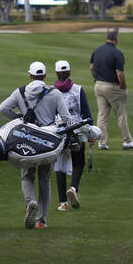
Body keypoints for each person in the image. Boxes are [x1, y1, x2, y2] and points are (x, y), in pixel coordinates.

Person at [0, 61, 72, 229]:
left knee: (27, 176)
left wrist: (18, 118)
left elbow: (3, 108)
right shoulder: (54, 93)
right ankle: (42, 220)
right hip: (47, 141)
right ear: (45, 76)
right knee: (44, 180)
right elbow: (66, 118)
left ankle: (30, 202)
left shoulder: (20, 92)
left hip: (26, 139)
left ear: (30, 76)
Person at [90, 27, 133, 150]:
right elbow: (119, 73)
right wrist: (123, 86)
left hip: (98, 85)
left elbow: (92, 67)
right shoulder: (117, 53)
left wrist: (97, 78)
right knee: (121, 115)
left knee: (102, 115)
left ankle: (102, 143)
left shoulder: (97, 50)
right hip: (112, 87)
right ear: (117, 38)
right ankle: (127, 141)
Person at [51, 59, 92, 211]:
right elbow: (87, 114)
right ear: (69, 73)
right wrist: (91, 132)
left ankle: (63, 203)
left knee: (59, 167)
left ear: (56, 73)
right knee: (78, 162)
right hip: (77, 131)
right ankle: (73, 188)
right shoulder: (78, 90)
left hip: (58, 132)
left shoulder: (51, 91)